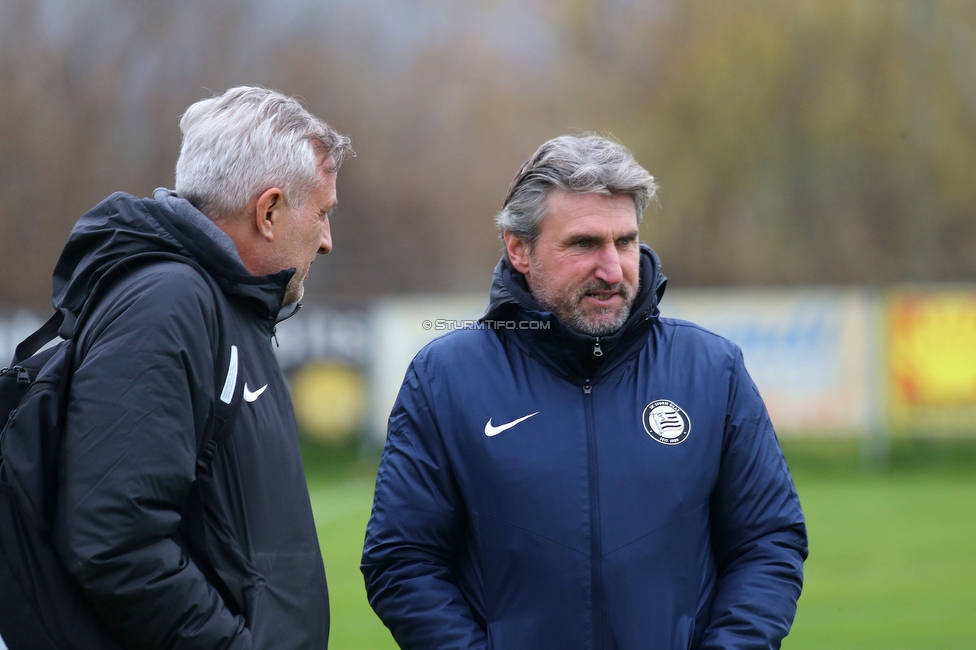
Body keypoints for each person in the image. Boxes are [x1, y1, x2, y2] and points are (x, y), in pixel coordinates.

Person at [362, 135, 807, 649]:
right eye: (584, 244)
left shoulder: (712, 371)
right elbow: (402, 560)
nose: (613, 269)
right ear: (519, 249)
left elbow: (768, 542)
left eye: (625, 241)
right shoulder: (444, 378)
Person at [44, 86, 351, 648]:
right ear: (270, 210)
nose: (327, 240)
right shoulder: (169, 303)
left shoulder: (226, 303)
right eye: (324, 213)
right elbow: (113, 540)